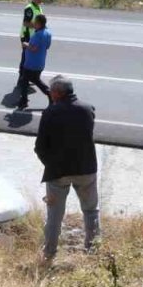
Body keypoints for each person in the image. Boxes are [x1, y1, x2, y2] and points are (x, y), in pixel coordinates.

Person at [35, 77, 99, 262]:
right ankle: (93, 251)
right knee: (91, 211)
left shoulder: (50, 113)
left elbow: (40, 147)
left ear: (56, 93)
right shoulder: (88, 109)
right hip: (86, 169)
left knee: (55, 215)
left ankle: (49, 253)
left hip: (58, 173)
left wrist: (51, 163)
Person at [17, 14, 52, 110]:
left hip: (31, 64)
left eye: (35, 22)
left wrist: (25, 44)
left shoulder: (38, 35)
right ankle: (50, 95)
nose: (34, 24)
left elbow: (34, 49)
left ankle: (23, 101)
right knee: (35, 80)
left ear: (40, 24)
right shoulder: (48, 33)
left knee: (24, 81)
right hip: (40, 62)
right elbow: (47, 46)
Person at [17, 0, 44, 91]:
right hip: (27, 36)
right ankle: (21, 79)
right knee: (26, 58)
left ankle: (27, 78)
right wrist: (38, 27)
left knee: (31, 58)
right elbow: (26, 23)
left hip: (34, 36)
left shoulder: (38, 7)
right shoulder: (29, 8)